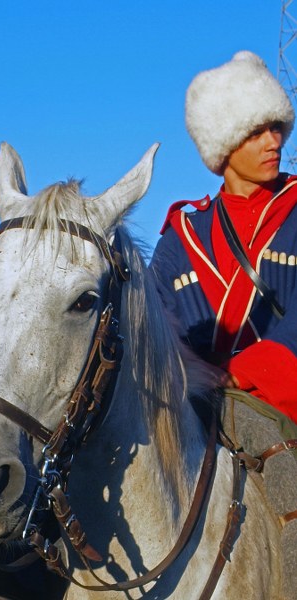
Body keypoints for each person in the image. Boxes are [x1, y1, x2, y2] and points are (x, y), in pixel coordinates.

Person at [150, 51, 297, 600]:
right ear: (222, 146)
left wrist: (244, 372)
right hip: (198, 409)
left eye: (276, 128)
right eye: (255, 131)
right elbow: (156, 326)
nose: (273, 142)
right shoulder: (180, 237)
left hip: (281, 400)